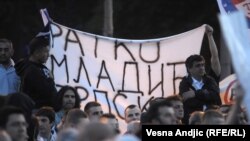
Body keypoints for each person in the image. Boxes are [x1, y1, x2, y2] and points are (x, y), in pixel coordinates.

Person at [15, 25, 57, 109]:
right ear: (37, 52)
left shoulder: (40, 68)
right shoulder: (31, 70)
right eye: (46, 51)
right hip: (37, 111)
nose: (48, 55)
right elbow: (45, 91)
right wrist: (50, 79)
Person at [179, 54, 222, 124]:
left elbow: (215, 96)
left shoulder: (210, 80)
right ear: (189, 69)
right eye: (197, 66)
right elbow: (189, 103)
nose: (201, 68)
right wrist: (206, 98)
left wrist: (195, 94)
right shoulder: (184, 83)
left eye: (202, 65)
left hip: (212, 120)